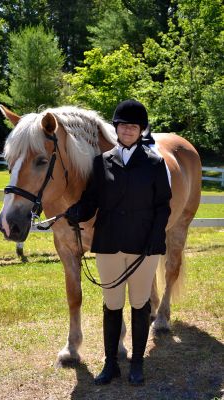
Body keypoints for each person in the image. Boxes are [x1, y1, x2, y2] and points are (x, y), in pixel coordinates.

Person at [65, 99, 172, 386]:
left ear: (140, 131)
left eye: (133, 126)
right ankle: (111, 363)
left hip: (143, 248)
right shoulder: (101, 163)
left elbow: (163, 206)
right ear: (116, 128)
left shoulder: (154, 163)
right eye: (123, 125)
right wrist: (77, 213)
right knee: (111, 305)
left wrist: (154, 238)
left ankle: (137, 363)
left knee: (139, 305)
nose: (127, 130)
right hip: (109, 243)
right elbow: (91, 201)